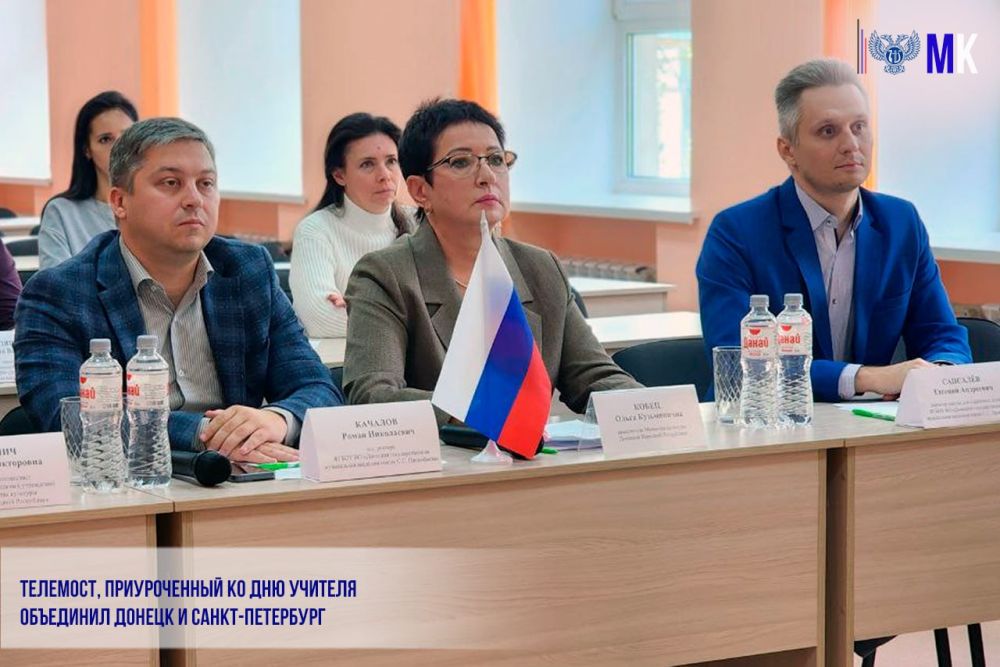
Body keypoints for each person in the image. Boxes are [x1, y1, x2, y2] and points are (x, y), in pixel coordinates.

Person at [15, 118, 341, 462]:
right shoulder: (58, 293)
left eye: (206, 183)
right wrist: (205, 433)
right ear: (120, 201)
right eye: (171, 183)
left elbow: (318, 388)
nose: (194, 199)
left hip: (243, 472)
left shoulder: (248, 271)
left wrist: (276, 420)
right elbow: (70, 420)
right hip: (132, 483)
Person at [343, 99, 640, 423]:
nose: (487, 176)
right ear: (420, 190)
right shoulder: (386, 276)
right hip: (443, 455)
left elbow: (595, 375)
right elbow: (374, 397)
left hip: (532, 455)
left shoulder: (540, 268)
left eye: (496, 159)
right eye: (460, 162)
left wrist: (652, 411)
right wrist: (489, 412)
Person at [697, 59, 970, 402]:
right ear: (788, 151)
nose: (851, 144)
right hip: (758, 421)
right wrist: (867, 378)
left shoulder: (901, 223)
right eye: (828, 131)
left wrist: (941, 373)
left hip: (865, 422)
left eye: (859, 127)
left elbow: (941, 333)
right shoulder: (736, 232)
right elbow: (741, 359)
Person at [290, 113, 413, 338]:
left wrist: (359, 308)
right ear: (339, 175)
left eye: (391, 161)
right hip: (342, 359)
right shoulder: (315, 230)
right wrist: (412, 318)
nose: (385, 175)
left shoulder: (419, 222)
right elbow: (319, 319)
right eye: (367, 164)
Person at [39, 91, 138, 269]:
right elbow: (53, 283)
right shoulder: (61, 212)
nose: (119, 148)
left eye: (126, 137)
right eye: (105, 139)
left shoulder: (155, 207)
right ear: (87, 150)